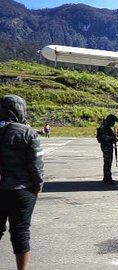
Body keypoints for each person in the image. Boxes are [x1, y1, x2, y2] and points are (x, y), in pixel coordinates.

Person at [0, 95, 45, 270]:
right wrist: (37, 187)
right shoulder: (27, 132)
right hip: (21, 190)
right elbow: (36, 164)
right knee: (20, 232)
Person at [97, 114, 118, 185]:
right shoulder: (103, 127)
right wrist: (112, 138)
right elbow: (104, 137)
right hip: (106, 147)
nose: (114, 123)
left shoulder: (107, 127)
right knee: (107, 162)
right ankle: (107, 178)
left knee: (108, 162)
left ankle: (107, 177)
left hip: (108, 146)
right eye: (113, 122)